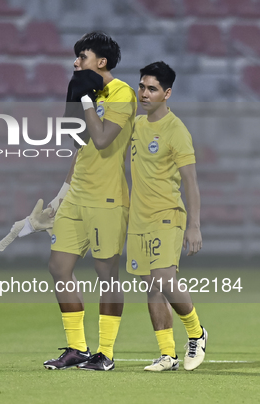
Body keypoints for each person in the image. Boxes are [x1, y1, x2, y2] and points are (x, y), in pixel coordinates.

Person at [42, 31, 137, 371]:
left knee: (106, 273)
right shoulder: (90, 93)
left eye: (81, 57)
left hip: (107, 198)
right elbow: (81, 148)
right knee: (58, 267)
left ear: (101, 62)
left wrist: (84, 100)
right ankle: (77, 349)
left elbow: (102, 139)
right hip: (78, 195)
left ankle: (106, 354)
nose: (75, 63)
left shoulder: (122, 92)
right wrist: (60, 196)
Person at [128, 61, 207, 371]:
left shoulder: (176, 131)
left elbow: (191, 182)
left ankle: (197, 333)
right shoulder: (136, 125)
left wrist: (194, 226)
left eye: (152, 89)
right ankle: (167, 355)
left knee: (163, 279)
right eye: (142, 87)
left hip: (167, 215)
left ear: (167, 93)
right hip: (139, 219)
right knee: (152, 288)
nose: (144, 93)